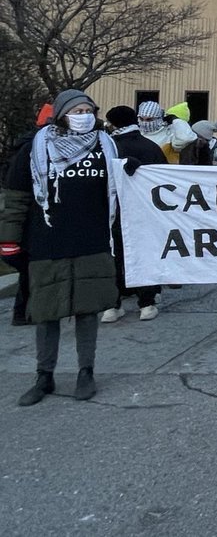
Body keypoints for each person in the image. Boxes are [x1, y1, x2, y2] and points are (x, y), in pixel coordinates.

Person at [1, 89, 123, 405]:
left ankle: (86, 372)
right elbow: (16, 199)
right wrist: (9, 241)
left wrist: (135, 168)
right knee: (47, 312)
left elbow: (124, 189)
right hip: (47, 241)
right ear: (61, 113)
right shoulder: (33, 149)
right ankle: (44, 376)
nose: (83, 115)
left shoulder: (106, 147)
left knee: (87, 312)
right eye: (76, 109)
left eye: (88, 109)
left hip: (92, 240)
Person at [101, 106, 168, 323]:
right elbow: (164, 180)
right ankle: (147, 303)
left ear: (112, 123)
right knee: (142, 255)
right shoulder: (151, 147)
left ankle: (112, 305)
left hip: (112, 211)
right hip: (144, 211)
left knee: (113, 256)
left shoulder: (108, 148)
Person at [3, 102, 54, 327]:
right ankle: (26, 312)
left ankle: (23, 312)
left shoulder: (23, 145)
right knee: (33, 270)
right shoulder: (33, 149)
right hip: (32, 218)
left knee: (29, 271)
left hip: (26, 219)